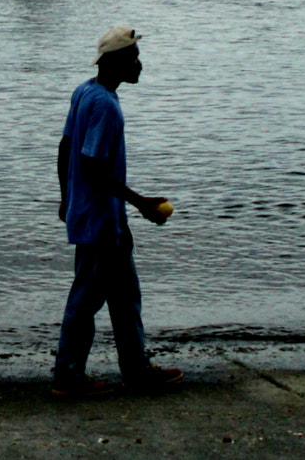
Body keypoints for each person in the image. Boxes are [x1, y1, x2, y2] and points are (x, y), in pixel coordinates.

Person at [51, 25, 182, 399]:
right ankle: (68, 377)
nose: (140, 64)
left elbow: (65, 148)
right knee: (86, 298)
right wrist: (141, 202)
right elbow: (93, 167)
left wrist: (65, 197)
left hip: (98, 214)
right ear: (120, 61)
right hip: (100, 220)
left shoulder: (84, 92)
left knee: (125, 295)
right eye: (135, 58)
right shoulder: (106, 105)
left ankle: (137, 370)